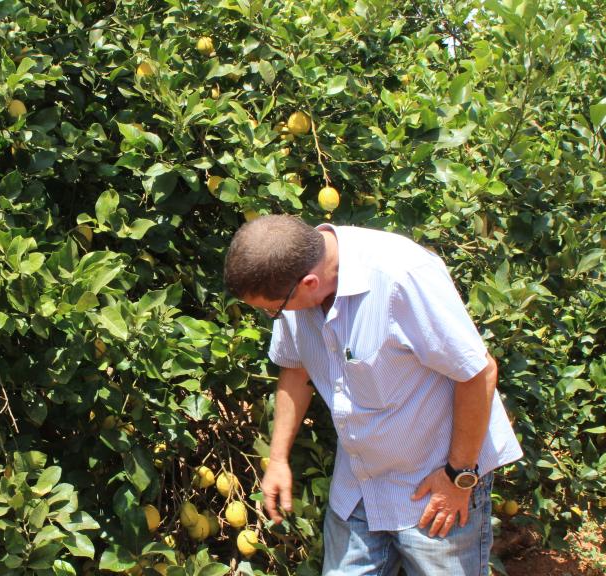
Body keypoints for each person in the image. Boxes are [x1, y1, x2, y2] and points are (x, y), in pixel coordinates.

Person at [224, 215, 522, 576]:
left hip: (432, 485)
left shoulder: (401, 276)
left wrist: (459, 476)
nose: (275, 315)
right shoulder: (290, 279)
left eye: (274, 309)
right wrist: (277, 458)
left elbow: (478, 372)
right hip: (360, 485)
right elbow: (297, 368)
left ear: (310, 282)